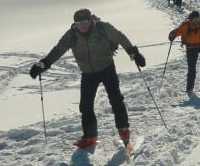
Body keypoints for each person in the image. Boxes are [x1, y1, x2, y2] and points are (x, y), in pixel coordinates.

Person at [29, 8, 147, 149]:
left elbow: (120, 37)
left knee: (116, 99)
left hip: (107, 68)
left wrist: (133, 53)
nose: (82, 25)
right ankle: (90, 136)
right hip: (88, 73)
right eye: (79, 23)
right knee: (85, 106)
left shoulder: (103, 27)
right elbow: (58, 49)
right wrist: (44, 63)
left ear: (91, 20)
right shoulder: (72, 35)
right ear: (75, 24)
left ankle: (123, 130)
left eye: (85, 21)